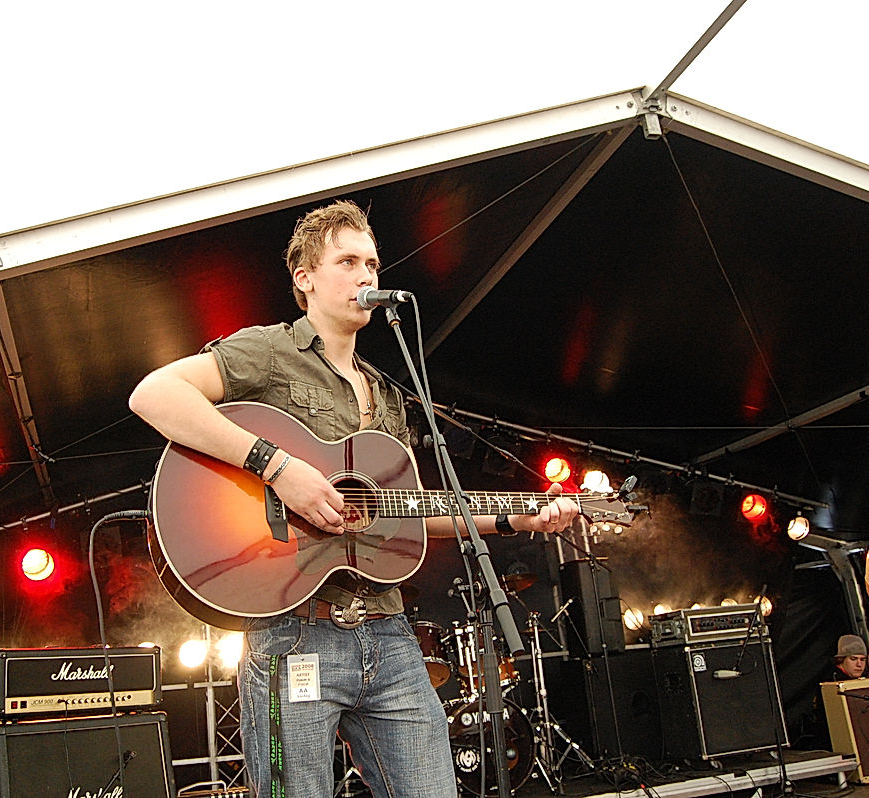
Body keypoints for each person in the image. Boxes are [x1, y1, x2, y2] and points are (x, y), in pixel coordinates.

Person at [128, 199, 580, 797]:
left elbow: (404, 516)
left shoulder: (388, 395)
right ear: (305, 278)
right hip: (294, 633)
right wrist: (277, 466)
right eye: (348, 261)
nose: (367, 276)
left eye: (372, 263)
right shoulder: (269, 351)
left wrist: (516, 519)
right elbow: (155, 395)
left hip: (389, 633)